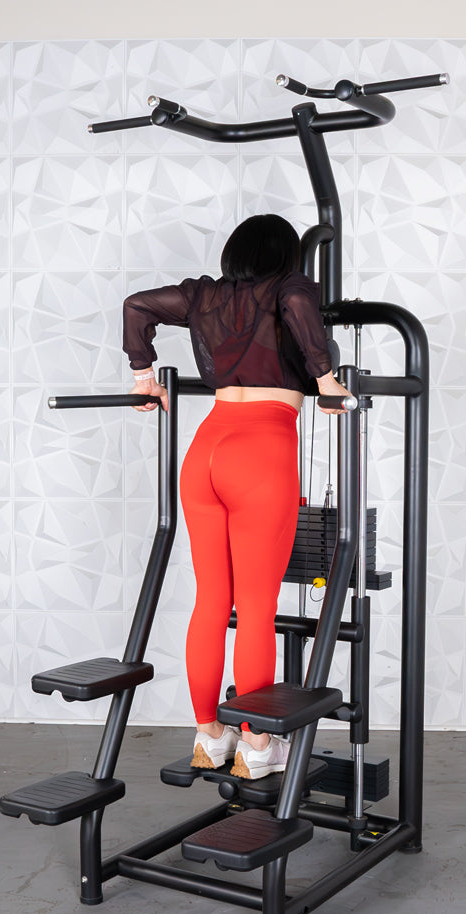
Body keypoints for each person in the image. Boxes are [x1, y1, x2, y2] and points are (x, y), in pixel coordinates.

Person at [122, 214, 350, 780]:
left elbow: (137, 305)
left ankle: (209, 736)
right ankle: (256, 745)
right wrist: (326, 382)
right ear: (286, 256)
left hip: (206, 449)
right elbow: (299, 308)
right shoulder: (291, 287)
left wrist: (142, 376)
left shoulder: (206, 296)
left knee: (209, 601)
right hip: (262, 451)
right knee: (254, 609)